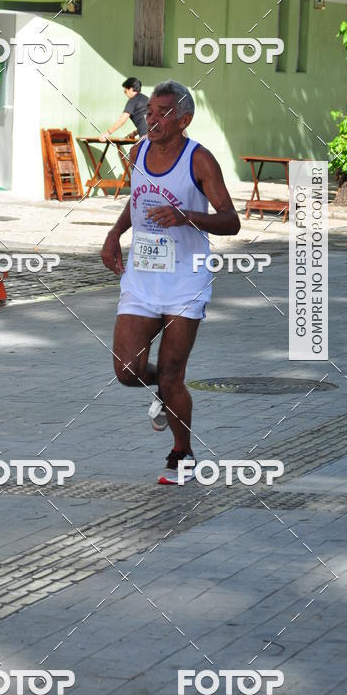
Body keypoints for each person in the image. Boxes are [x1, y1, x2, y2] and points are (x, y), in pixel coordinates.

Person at [101, 80, 240, 485]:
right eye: (150, 112)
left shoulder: (200, 160)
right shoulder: (138, 152)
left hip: (185, 280)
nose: (153, 119)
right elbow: (136, 200)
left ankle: (182, 454)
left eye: (163, 113)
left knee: (173, 372)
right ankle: (165, 390)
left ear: (184, 120)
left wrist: (185, 217)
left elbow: (231, 220)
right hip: (143, 278)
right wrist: (115, 233)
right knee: (127, 370)